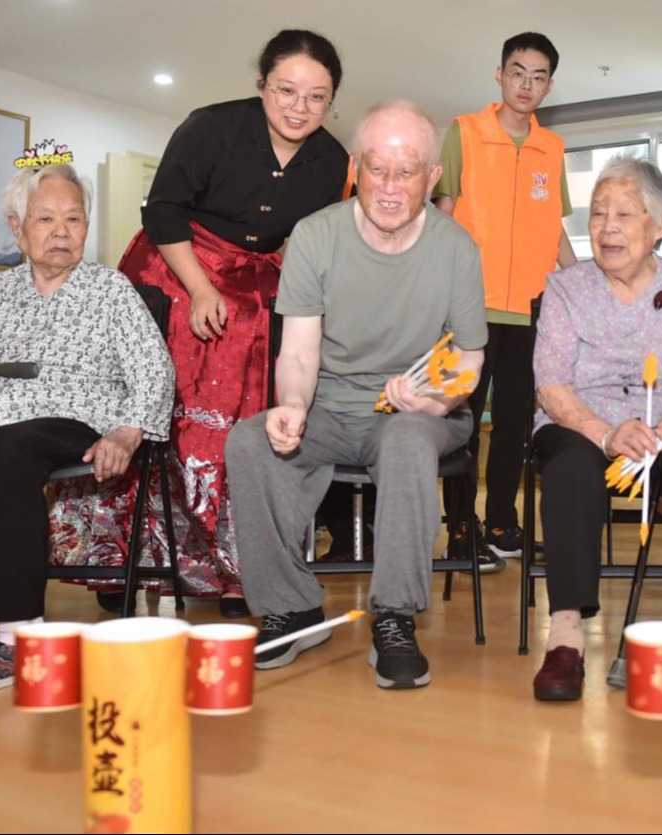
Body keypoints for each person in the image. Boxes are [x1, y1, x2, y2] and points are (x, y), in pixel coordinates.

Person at [50, 30, 351, 616]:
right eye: (286, 90)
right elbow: (162, 209)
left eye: (317, 97)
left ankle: (234, 570)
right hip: (176, 270)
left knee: (240, 427)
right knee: (151, 417)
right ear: (262, 85)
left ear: (331, 101)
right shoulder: (211, 126)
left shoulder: (333, 161)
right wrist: (200, 288)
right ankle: (120, 560)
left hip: (252, 293)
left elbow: (310, 240)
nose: (299, 107)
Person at [225, 101, 487, 690]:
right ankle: (292, 606)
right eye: (377, 169)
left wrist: (437, 400)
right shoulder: (315, 236)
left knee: (407, 441)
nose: (390, 187)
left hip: (422, 410)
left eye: (407, 171)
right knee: (250, 442)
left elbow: (469, 360)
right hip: (329, 407)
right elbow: (298, 352)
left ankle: (394, 615)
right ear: (354, 167)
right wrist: (293, 406)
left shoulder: (456, 248)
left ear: (432, 177)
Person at [0, 164, 173, 692]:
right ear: (18, 229)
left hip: (72, 414)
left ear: (86, 227)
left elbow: (155, 370)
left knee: (4, 450)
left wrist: (127, 433)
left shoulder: (110, 289)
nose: (61, 231)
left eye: (73, 219)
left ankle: (20, 632)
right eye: (46, 219)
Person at [529, 159, 662, 702]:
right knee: (569, 466)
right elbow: (550, 385)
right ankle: (566, 635)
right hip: (582, 425)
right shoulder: (566, 288)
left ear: (660, 225)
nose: (607, 228)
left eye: (624, 214)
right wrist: (605, 433)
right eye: (598, 214)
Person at [434, 32, 576, 571]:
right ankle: (460, 527)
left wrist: (582, 284)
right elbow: (444, 216)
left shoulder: (553, 148)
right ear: (500, 75)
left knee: (515, 423)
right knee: (462, 421)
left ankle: (500, 522)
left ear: (549, 86)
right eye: (517, 72)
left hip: (531, 308)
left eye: (538, 77)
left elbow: (553, 227)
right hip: (469, 304)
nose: (526, 85)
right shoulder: (465, 132)